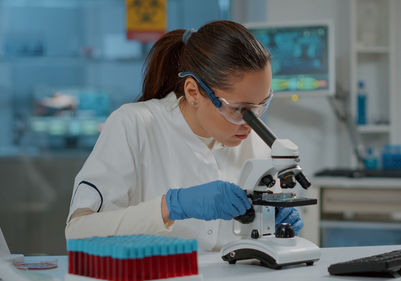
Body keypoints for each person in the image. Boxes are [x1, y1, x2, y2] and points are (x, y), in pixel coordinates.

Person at [65, 20, 303, 251]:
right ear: (193, 92)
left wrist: (275, 224)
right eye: (240, 110)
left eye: (262, 105)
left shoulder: (253, 140)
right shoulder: (133, 125)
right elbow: (78, 233)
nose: (251, 124)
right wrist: (170, 207)